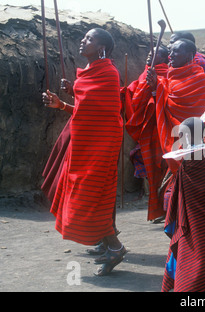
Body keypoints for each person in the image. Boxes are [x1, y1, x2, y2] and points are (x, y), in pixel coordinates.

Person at [42, 28, 126, 276]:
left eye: (89, 39)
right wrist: (63, 103)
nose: (82, 41)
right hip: (84, 145)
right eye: (84, 37)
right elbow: (84, 111)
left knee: (89, 198)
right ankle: (111, 246)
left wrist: (76, 93)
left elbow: (106, 115)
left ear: (101, 48)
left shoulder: (108, 74)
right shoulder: (88, 74)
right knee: (88, 197)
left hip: (101, 144)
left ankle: (115, 247)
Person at [125, 38, 205, 221]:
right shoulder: (168, 78)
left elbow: (194, 110)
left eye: (175, 52)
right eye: (170, 52)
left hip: (192, 140)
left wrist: (159, 86)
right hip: (172, 137)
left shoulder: (199, 77)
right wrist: (156, 87)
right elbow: (164, 100)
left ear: (189, 55)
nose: (171, 56)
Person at [161, 117, 205, 292]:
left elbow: (202, 192)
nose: (180, 140)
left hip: (200, 222)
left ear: (192, 136)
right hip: (190, 223)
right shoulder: (190, 160)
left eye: (183, 135)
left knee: (201, 262)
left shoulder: (195, 162)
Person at [125, 46, 170, 200]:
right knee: (143, 157)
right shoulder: (145, 73)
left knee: (162, 161)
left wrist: (156, 86)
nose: (149, 56)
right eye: (149, 53)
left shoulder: (166, 73)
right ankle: (152, 196)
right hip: (146, 124)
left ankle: (164, 198)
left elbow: (168, 93)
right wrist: (125, 92)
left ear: (164, 59)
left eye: (154, 54)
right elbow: (136, 92)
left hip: (160, 125)